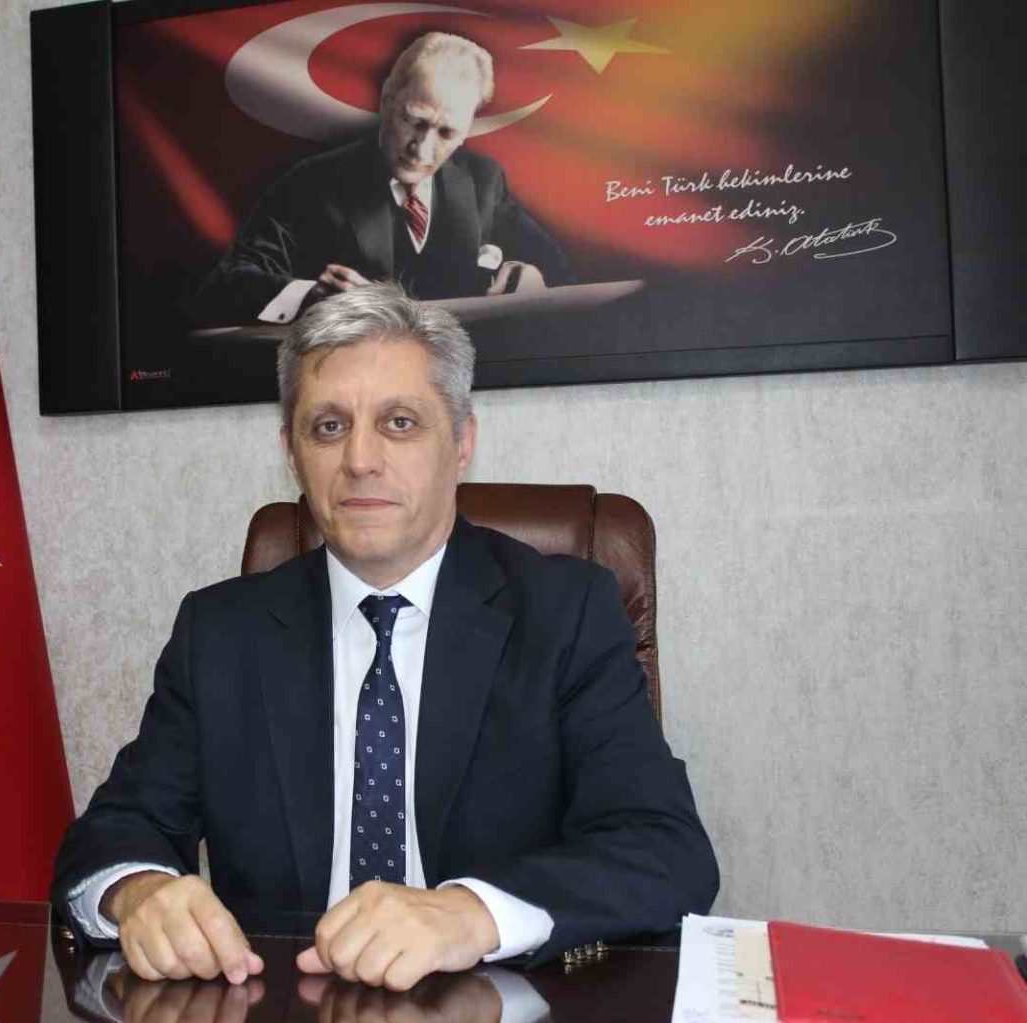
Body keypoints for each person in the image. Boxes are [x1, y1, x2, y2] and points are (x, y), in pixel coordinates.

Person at [53, 282, 717, 991]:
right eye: (328, 426)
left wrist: (471, 913)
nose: (360, 459)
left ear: (461, 442)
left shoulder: (564, 614)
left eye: (399, 422)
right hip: (283, 1001)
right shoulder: (220, 633)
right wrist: (140, 892)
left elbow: (665, 849)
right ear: (291, 452)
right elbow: (113, 832)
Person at [188, 32, 569, 328]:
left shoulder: (483, 180)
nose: (421, 150)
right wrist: (311, 297)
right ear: (387, 98)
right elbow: (223, 287)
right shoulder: (311, 183)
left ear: (467, 130)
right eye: (413, 121)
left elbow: (556, 266)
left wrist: (533, 276)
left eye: (447, 133)